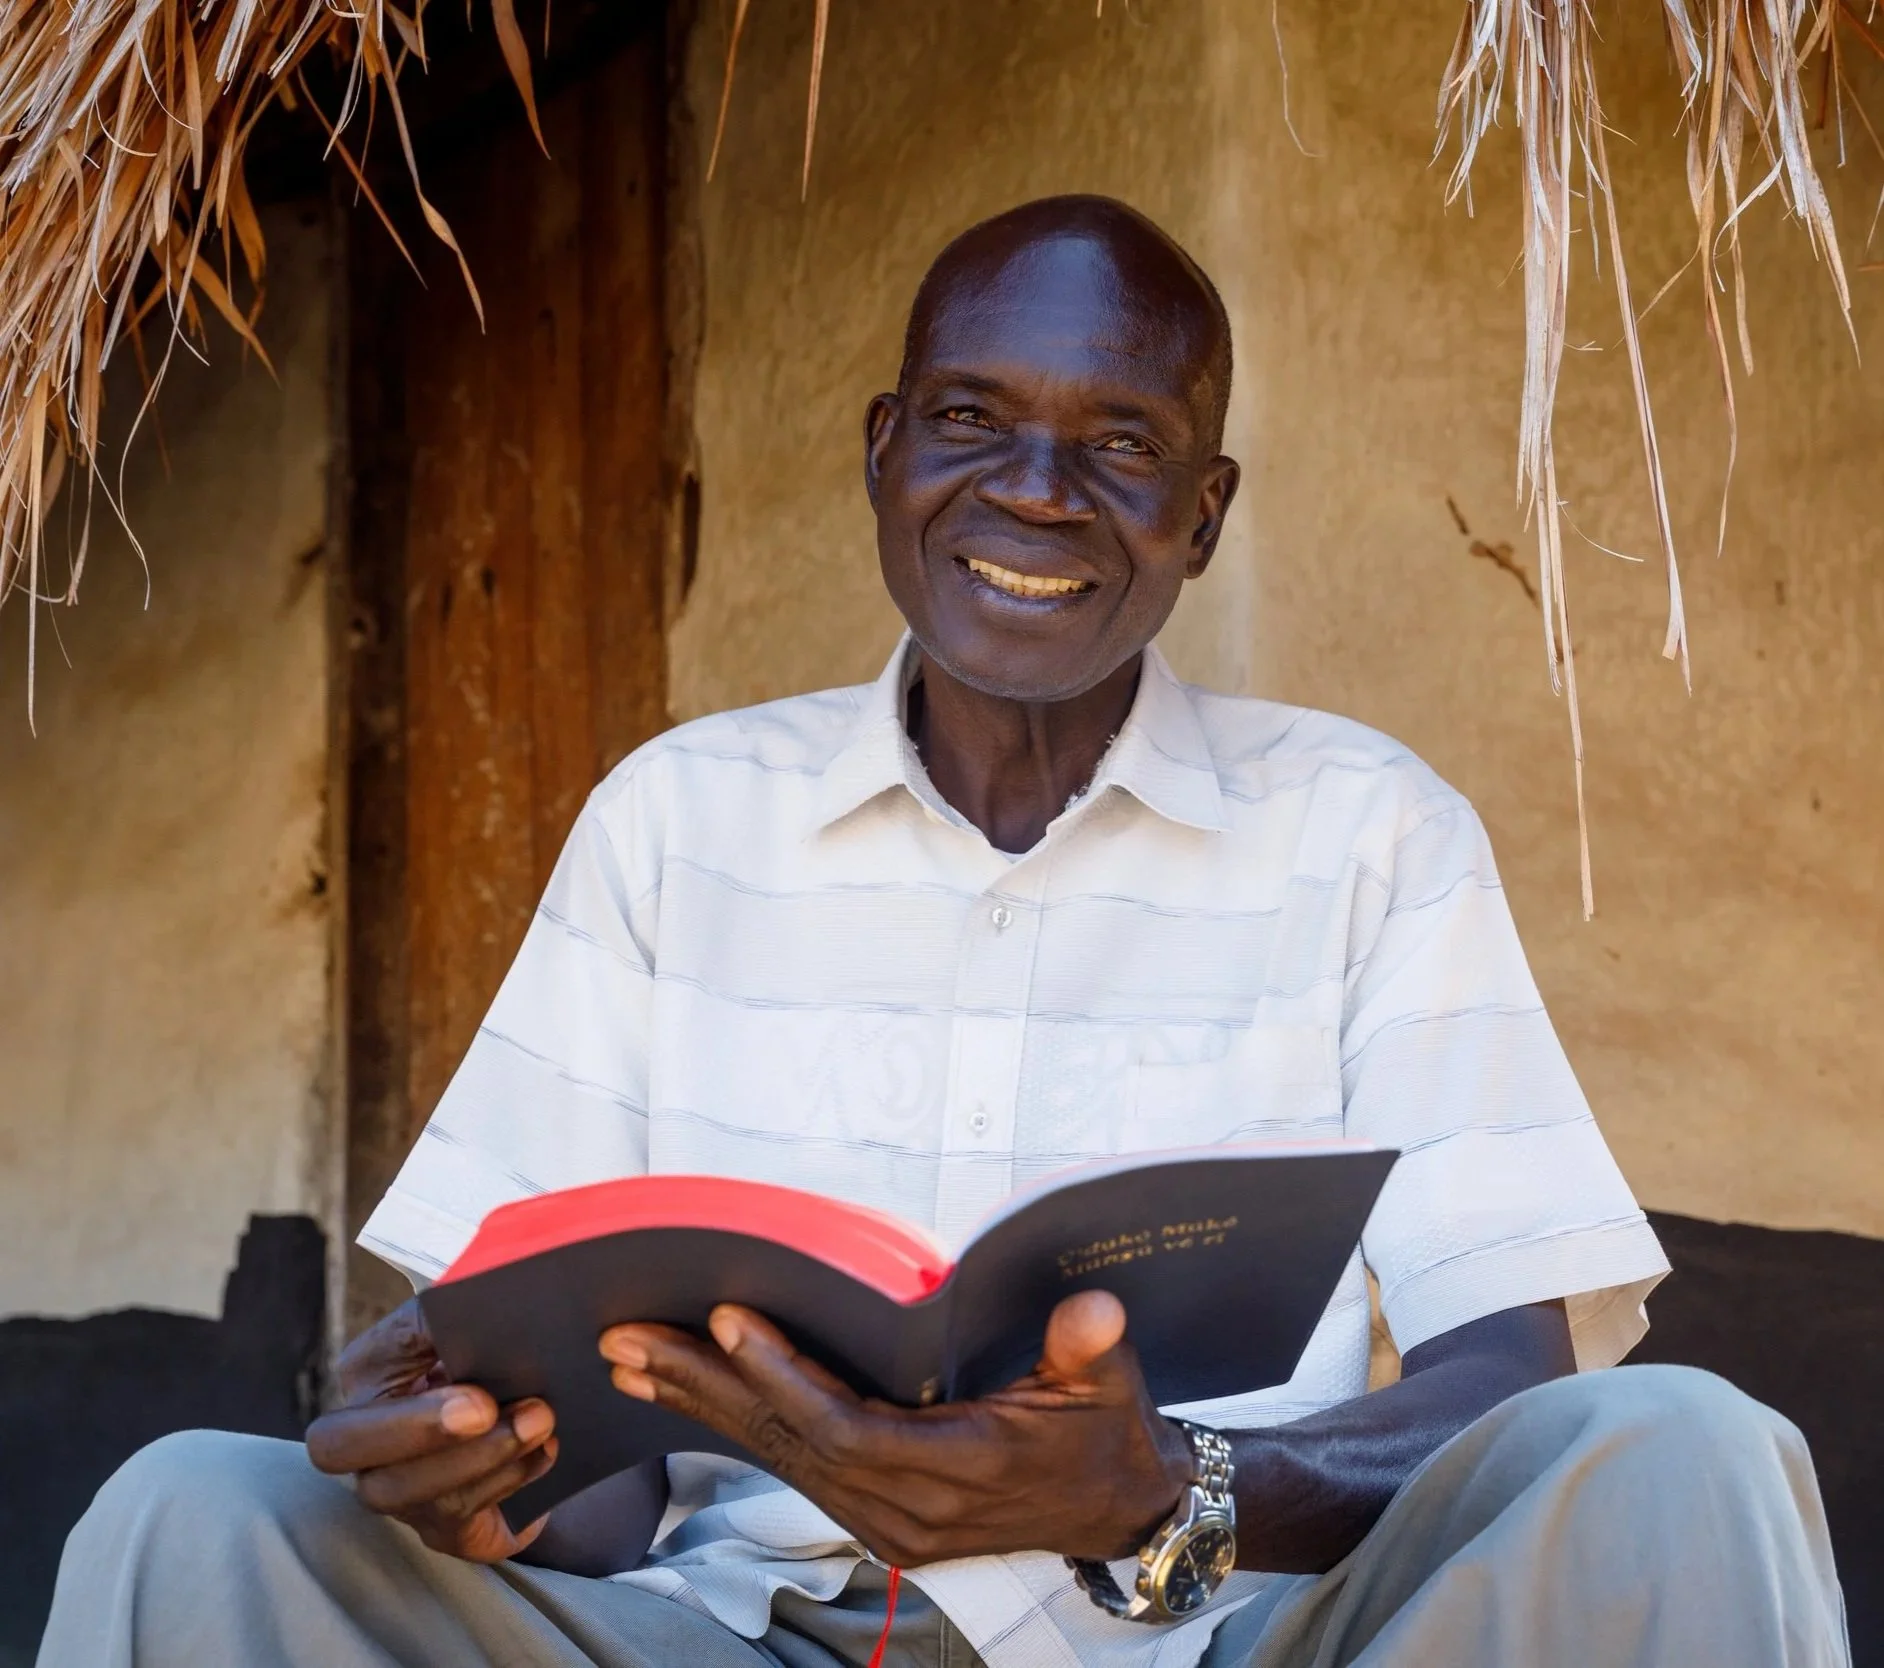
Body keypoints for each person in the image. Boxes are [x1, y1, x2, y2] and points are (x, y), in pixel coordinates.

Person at [38, 195, 1849, 1668]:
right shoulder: (678, 824)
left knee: (1687, 1449)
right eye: (973, 418)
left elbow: (1506, 1386)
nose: (1038, 491)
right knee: (194, 1512)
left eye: (1122, 443)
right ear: (885, 450)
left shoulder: (1368, 834)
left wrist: (1160, 1488)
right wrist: (475, 1462)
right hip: (729, 1634)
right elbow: (589, 1505)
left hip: (1208, 1634)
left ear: (1203, 516)